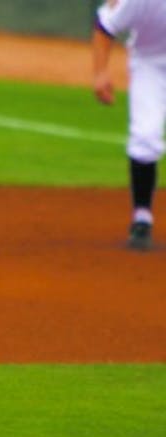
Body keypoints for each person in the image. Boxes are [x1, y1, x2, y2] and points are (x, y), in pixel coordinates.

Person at [91, 0, 166, 251]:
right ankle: (142, 217)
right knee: (145, 136)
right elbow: (105, 25)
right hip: (150, 65)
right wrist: (100, 73)